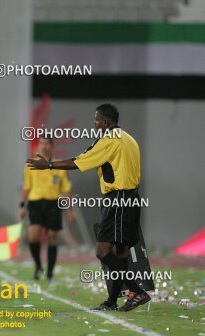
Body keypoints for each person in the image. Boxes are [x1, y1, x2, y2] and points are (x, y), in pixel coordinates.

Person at [27, 104, 150, 312]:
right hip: (131, 199)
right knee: (120, 252)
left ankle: (136, 291)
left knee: (102, 252)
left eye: (96, 120)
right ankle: (112, 301)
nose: (94, 123)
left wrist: (48, 165)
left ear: (105, 122)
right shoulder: (130, 139)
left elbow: (79, 162)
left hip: (117, 199)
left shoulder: (108, 140)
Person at [19, 137, 75, 282]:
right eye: (41, 143)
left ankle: (50, 272)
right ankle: (38, 266)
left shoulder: (58, 165)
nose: (43, 147)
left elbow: (66, 189)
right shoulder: (31, 164)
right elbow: (26, 187)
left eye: (46, 144)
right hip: (35, 202)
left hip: (53, 203)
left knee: (52, 236)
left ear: (51, 146)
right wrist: (21, 206)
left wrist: (69, 210)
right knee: (33, 235)